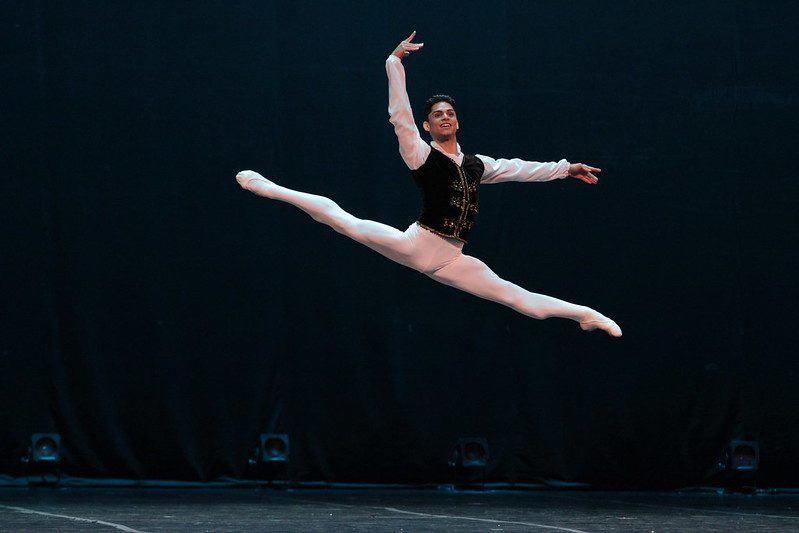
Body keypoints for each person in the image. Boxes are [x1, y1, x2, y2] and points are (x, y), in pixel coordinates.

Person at [236, 31, 622, 337]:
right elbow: (399, 115)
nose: (445, 118)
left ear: (458, 121)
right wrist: (394, 63)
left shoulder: (475, 164)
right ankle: (266, 186)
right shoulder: (420, 154)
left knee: (522, 302)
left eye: (450, 113)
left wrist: (565, 168)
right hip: (418, 245)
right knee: (340, 219)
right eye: (437, 115)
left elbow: (519, 168)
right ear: (428, 125)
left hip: (452, 259)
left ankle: (586, 316)